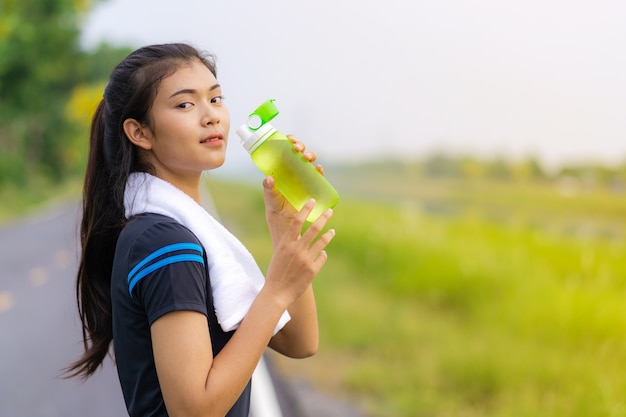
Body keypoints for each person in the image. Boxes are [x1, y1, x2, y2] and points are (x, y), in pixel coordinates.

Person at [66, 42, 336, 417]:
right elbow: (195, 410)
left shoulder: (177, 231)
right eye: (185, 104)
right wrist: (275, 290)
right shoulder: (165, 244)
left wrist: (285, 230)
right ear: (139, 132)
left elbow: (301, 341)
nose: (211, 116)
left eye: (216, 99)